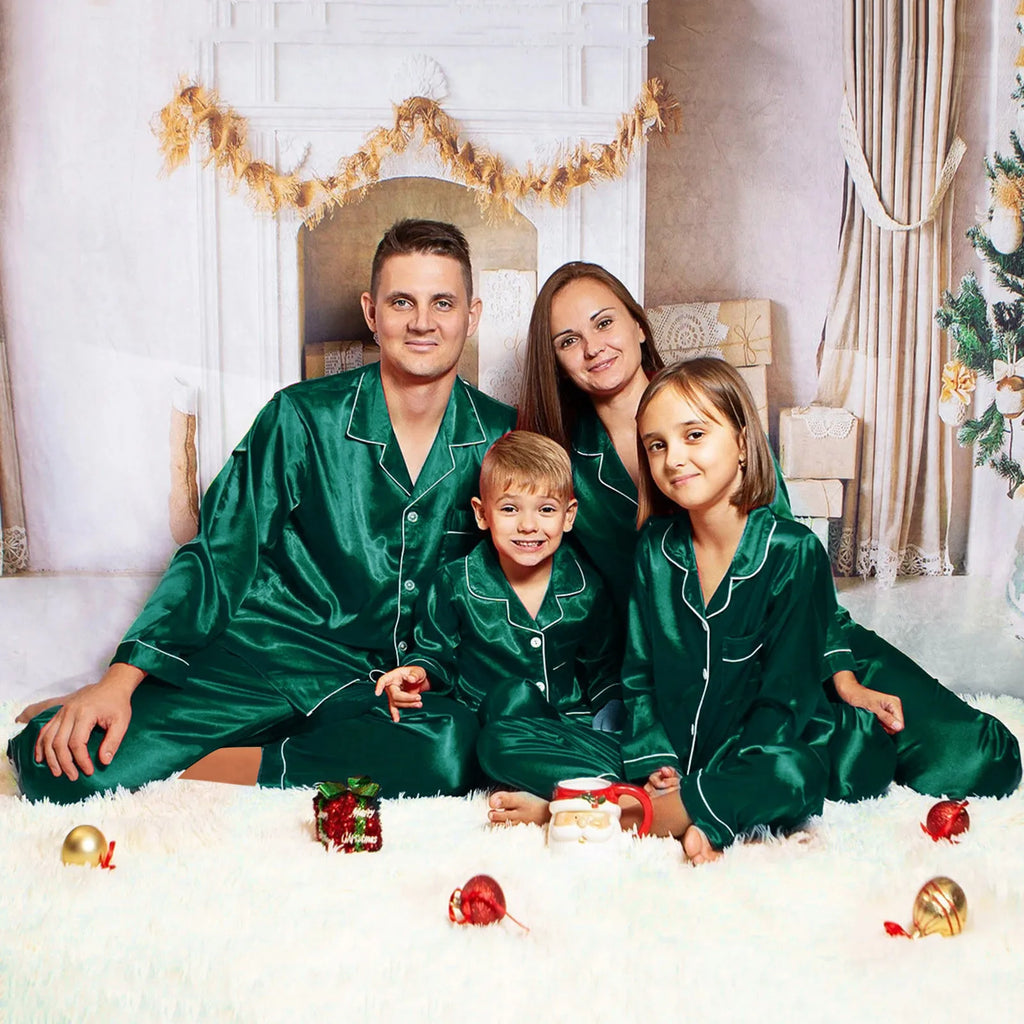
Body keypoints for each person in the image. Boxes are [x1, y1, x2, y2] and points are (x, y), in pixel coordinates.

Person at [9, 218, 516, 804]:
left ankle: (231, 764)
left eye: (442, 303)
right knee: (64, 771)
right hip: (268, 659)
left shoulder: (503, 439)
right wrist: (119, 683)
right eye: (402, 301)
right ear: (372, 314)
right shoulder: (300, 418)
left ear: (471, 316)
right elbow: (219, 553)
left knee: (449, 752)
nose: (422, 322)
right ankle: (176, 724)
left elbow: (511, 580)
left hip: (387, 689)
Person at [514, 261, 1021, 811]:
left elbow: (789, 556)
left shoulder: (714, 409)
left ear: (638, 325)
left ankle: (812, 745)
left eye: (604, 323)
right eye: (570, 340)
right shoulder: (561, 464)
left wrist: (842, 674)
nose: (593, 348)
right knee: (812, 763)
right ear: (559, 362)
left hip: (795, 633)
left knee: (978, 758)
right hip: (684, 664)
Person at [623, 358, 838, 864]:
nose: (674, 458)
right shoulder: (653, 548)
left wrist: (708, 782)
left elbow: (783, 706)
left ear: (742, 443)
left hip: (760, 755)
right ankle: (692, 807)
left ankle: (652, 817)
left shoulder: (794, 552)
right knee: (512, 735)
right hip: (670, 757)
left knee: (796, 774)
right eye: (657, 445)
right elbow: (637, 675)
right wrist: (656, 759)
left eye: (693, 435)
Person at [374, 431, 625, 823]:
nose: (528, 526)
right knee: (495, 721)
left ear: (569, 516)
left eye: (545, 510)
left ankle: (604, 784)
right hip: (488, 731)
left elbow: (603, 670)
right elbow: (435, 654)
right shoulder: (455, 582)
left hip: (562, 733)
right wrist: (419, 673)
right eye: (510, 509)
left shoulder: (587, 587)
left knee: (539, 729)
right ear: (481, 513)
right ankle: (589, 790)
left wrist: (615, 714)